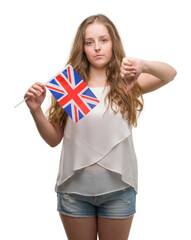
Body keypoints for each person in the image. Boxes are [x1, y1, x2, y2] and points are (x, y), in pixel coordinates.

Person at [24, 14, 177, 240]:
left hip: (118, 191)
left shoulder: (126, 82)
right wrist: (36, 111)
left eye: (104, 40)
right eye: (89, 42)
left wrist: (143, 64)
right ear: (82, 47)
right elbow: (54, 139)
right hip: (74, 193)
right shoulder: (70, 85)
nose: (97, 48)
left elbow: (170, 74)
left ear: (113, 42)